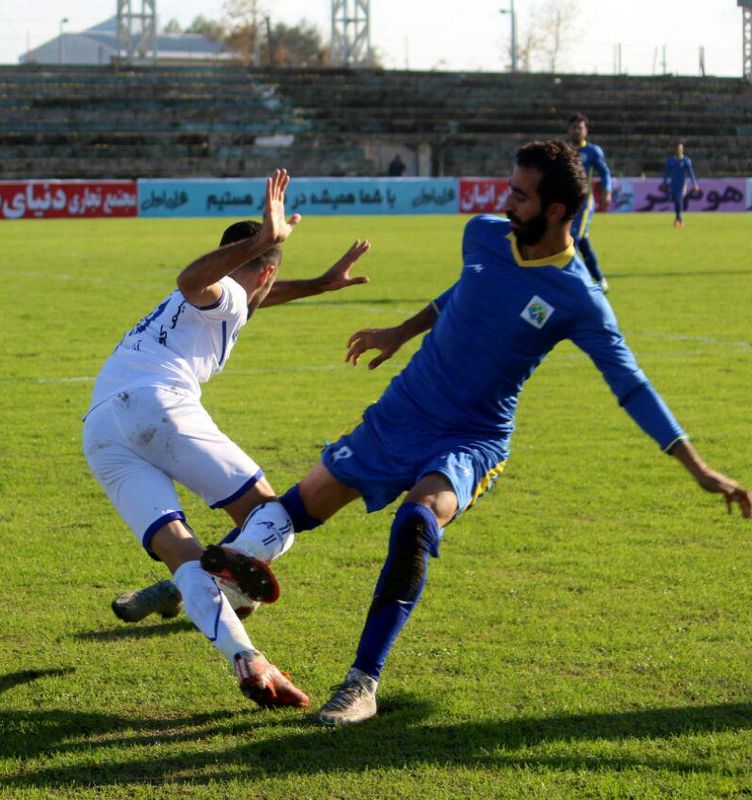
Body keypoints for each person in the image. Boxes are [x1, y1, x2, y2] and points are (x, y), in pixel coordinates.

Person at [138, 140, 750, 726]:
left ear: (557, 210)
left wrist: (697, 466)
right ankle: (192, 578)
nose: (505, 202)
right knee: (295, 508)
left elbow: (632, 385)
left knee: (416, 522)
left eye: (520, 195)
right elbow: (464, 292)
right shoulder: (483, 235)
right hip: (405, 410)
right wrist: (400, 332)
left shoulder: (578, 298)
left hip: (473, 437)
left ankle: (362, 683)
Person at [84, 169, 372, 708]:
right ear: (261, 271)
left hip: (100, 429)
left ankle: (246, 656)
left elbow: (246, 291)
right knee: (277, 517)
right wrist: (265, 240)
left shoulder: (227, 301)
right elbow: (195, 282)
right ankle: (225, 566)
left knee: (183, 555)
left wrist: (317, 284)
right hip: (159, 407)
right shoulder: (224, 297)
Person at [565, 113, 612, 292]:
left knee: (572, 239)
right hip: (566, 203)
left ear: (586, 130)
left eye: (580, 127)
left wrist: (607, 191)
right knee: (583, 242)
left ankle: (575, 283)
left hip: (583, 203)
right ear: (568, 130)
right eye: (573, 127)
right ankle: (600, 279)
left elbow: (605, 172)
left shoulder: (592, 151)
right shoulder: (563, 149)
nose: (576, 130)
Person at [661, 141, 698, 229]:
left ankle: (679, 220)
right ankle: (678, 219)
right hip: (674, 184)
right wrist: (664, 182)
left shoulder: (686, 160)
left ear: (682, 149)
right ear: (675, 149)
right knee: (676, 202)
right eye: (678, 148)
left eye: (681, 148)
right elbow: (666, 173)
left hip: (682, 184)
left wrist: (695, 184)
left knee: (679, 200)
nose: (679, 150)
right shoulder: (670, 160)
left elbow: (691, 173)